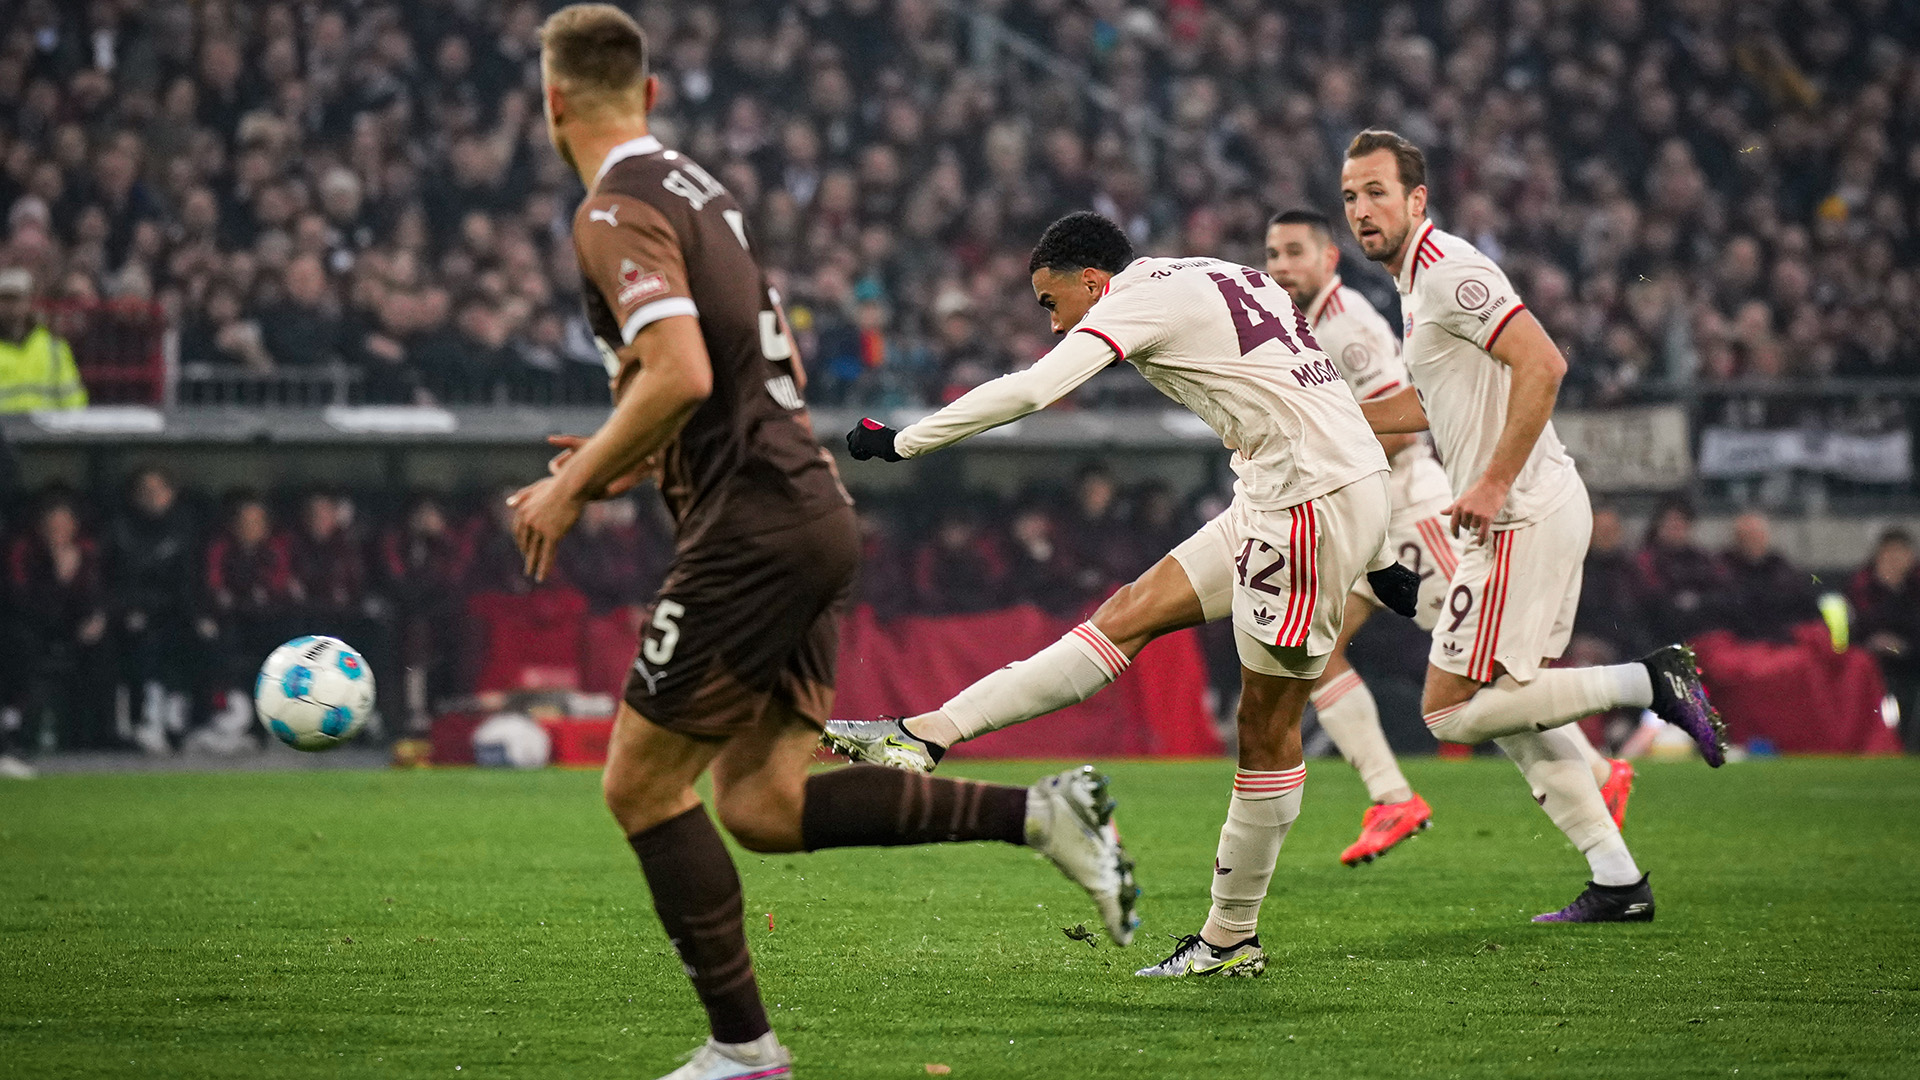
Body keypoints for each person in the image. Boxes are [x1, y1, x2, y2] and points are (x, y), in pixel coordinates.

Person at [504, 11, 1136, 1078]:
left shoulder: (613, 208)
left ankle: (744, 1053)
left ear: (553, 102)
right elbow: (711, 385)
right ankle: (1041, 815)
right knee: (760, 801)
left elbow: (681, 376)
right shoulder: (703, 194)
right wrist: (617, 459)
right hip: (804, 512)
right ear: (650, 97)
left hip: (749, 529)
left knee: (640, 788)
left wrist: (569, 485)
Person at [839, 209, 1419, 979]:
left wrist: (901, 440)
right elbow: (1323, 399)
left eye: (1053, 305)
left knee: (1267, 724)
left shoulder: (1134, 302)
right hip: (1293, 493)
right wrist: (1376, 547)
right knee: (1125, 615)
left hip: (1306, 508)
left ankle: (1230, 938)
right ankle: (925, 733)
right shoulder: (1225, 273)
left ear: (1092, 281)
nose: (1054, 326)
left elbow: (1035, 392)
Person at [1343, 130, 1724, 923]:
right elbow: (1426, 406)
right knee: (1518, 709)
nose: (1362, 210)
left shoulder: (1450, 272)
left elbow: (1544, 363)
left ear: (1417, 200)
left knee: (1448, 712)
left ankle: (1650, 681)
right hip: (1530, 510)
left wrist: (1488, 482)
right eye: (1350, 196)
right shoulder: (1416, 287)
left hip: (1518, 515)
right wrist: (1329, 417)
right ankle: (1618, 881)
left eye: (1377, 191)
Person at [1850, 529, 1920, 753]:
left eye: (1900, 554)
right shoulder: (1860, 587)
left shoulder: (1913, 589)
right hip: (1872, 665)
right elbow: (1856, 628)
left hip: (1912, 662)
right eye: (1889, 553)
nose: (1894, 560)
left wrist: (1904, 647)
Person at [0, 268, 86, 412]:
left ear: (29, 302)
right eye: (4, 299)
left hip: (45, 431)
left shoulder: (53, 346)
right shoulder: (52, 343)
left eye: (16, 299)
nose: (10, 307)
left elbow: (72, 397)